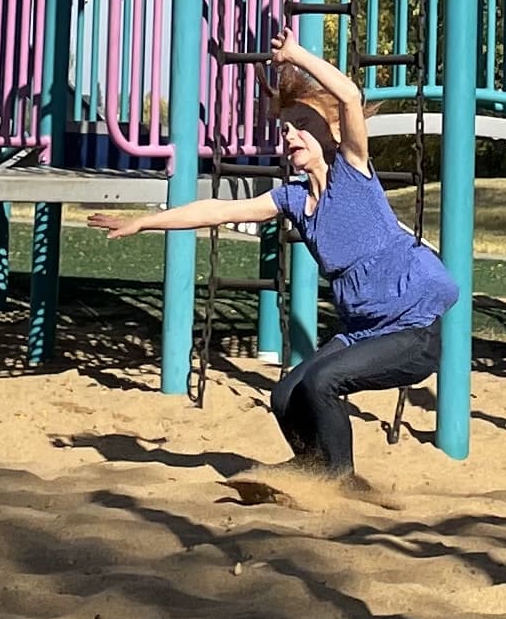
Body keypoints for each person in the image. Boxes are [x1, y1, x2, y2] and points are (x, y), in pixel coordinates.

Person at [89, 37, 451, 480]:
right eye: (285, 129)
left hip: (413, 331)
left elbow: (351, 97)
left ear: (332, 133)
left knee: (322, 384)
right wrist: (145, 222)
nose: (291, 135)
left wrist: (296, 57)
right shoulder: (293, 199)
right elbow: (219, 211)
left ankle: (341, 481)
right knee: (285, 395)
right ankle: (309, 470)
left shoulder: (353, 172)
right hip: (362, 331)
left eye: (302, 124)